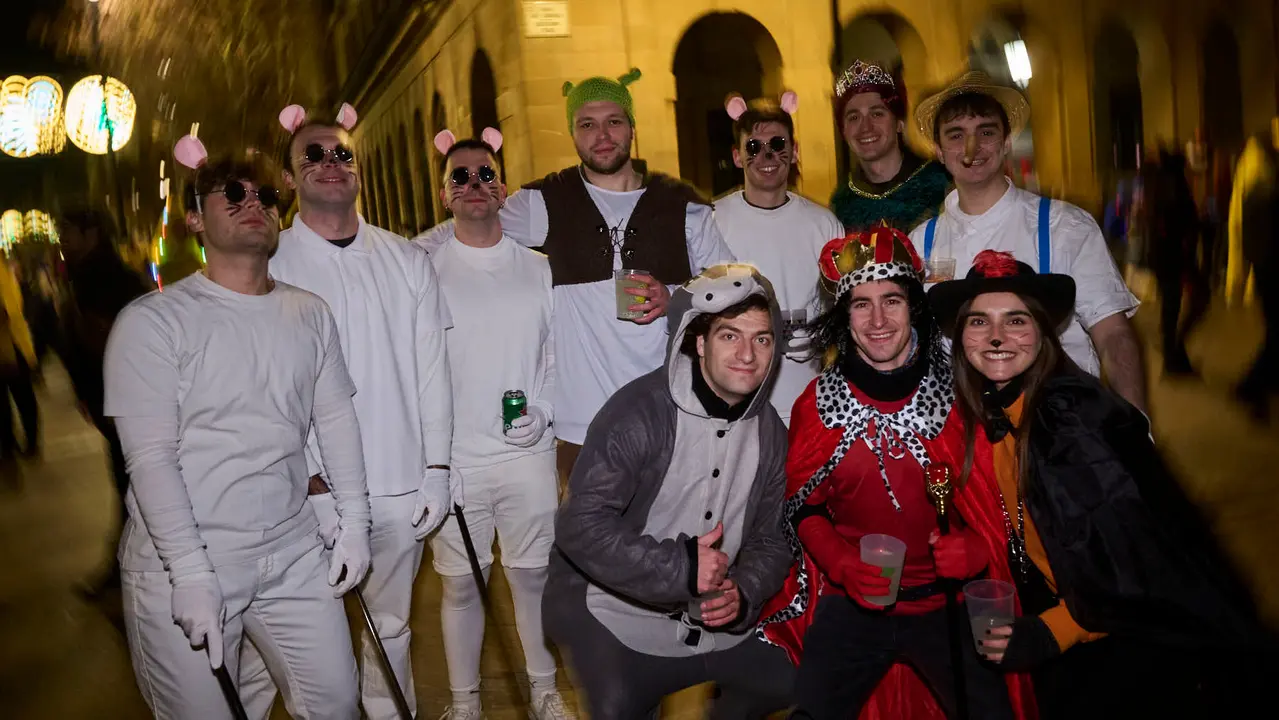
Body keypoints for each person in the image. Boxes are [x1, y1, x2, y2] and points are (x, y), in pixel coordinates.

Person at [929, 250, 1276, 718]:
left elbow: (1132, 564)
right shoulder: (1000, 414)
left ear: (1042, 334)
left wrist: (1051, 631)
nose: (995, 337)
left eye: (1016, 321)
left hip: (1138, 646)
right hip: (1086, 636)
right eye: (978, 322)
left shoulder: (1067, 419)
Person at [104, 135, 372, 718]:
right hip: (191, 558)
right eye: (231, 192)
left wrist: (356, 520)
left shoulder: (309, 312)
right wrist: (190, 571)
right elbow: (150, 458)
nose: (254, 202)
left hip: (293, 549)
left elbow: (336, 419)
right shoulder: (153, 323)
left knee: (335, 702)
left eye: (267, 194)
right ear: (195, 218)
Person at [238, 103, 454, 719]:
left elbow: (433, 373)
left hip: (397, 487)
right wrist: (309, 481)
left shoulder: (407, 260)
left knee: (390, 632)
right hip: (300, 499)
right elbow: (261, 389)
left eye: (342, 154)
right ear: (289, 177)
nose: (330, 164)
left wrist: (437, 467)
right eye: (313, 155)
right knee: (281, 655)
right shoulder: (268, 268)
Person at [416, 69, 735, 485]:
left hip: (668, 415)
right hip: (581, 428)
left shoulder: (682, 205)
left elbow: (732, 292)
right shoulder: (543, 201)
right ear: (573, 134)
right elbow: (471, 219)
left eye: (613, 121)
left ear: (632, 128)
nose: (601, 134)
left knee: (671, 542)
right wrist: (400, 255)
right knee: (590, 543)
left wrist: (675, 295)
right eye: (587, 124)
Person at [757, 227, 1021, 720]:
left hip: (949, 609)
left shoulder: (963, 394)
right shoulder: (815, 407)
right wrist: (840, 562)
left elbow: (1007, 503)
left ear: (914, 307)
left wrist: (982, 548)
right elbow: (804, 507)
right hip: (853, 609)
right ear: (843, 316)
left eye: (892, 300)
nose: (878, 320)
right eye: (860, 304)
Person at [544, 264, 793, 719]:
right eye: (728, 336)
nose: (747, 354)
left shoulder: (771, 430)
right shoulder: (637, 413)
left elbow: (772, 538)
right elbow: (579, 526)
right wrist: (681, 567)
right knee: (618, 703)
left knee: (789, 677)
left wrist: (745, 591)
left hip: (714, 614)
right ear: (697, 343)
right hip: (612, 608)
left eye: (761, 339)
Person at [417, 128, 573, 720]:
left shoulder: (537, 270)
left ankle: (544, 690)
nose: (475, 184)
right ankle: (465, 704)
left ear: (503, 188)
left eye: (485, 174)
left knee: (531, 578)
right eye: (461, 176)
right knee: (460, 583)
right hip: (456, 461)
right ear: (444, 194)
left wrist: (545, 413)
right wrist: (433, 460)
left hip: (525, 456)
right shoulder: (424, 268)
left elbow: (558, 358)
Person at [910, 71, 1146, 411]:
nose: (971, 148)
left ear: (1006, 142)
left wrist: (1137, 429)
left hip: (1058, 432)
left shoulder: (1063, 225)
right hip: (963, 437)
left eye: (986, 132)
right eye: (956, 135)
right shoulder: (922, 241)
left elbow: (1112, 335)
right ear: (939, 151)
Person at [712, 90, 843, 426]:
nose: (767, 155)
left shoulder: (824, 223)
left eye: (778, 144)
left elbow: (843, 308)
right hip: (734, 408)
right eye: (753, 147)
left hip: (809, 403)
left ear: (794, 152)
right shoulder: (711, 220)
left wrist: (820, 338)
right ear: (738, 157)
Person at [57, 207, 152, 591]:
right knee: (130, 482)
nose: (62, 241)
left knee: (133, 482)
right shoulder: (89, 275)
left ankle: (126, 568)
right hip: (112, 400)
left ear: (91, 232)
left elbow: (122, 339)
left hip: (125, 401)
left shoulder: (106, 277)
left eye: (67, 231)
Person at [828, 60, 951, 233]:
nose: (865, 127)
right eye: (854, 117)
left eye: (877, 113)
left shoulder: (942, 183)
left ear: (899, 123)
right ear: (843, 131)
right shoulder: (841, 203)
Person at [1229, 119, 1279, 420]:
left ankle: (1259, 388)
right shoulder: (1262, 180)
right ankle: (1251, 386)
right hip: (1270, 268)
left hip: (1266, 266)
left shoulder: (1262, 182)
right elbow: (1245, 227)